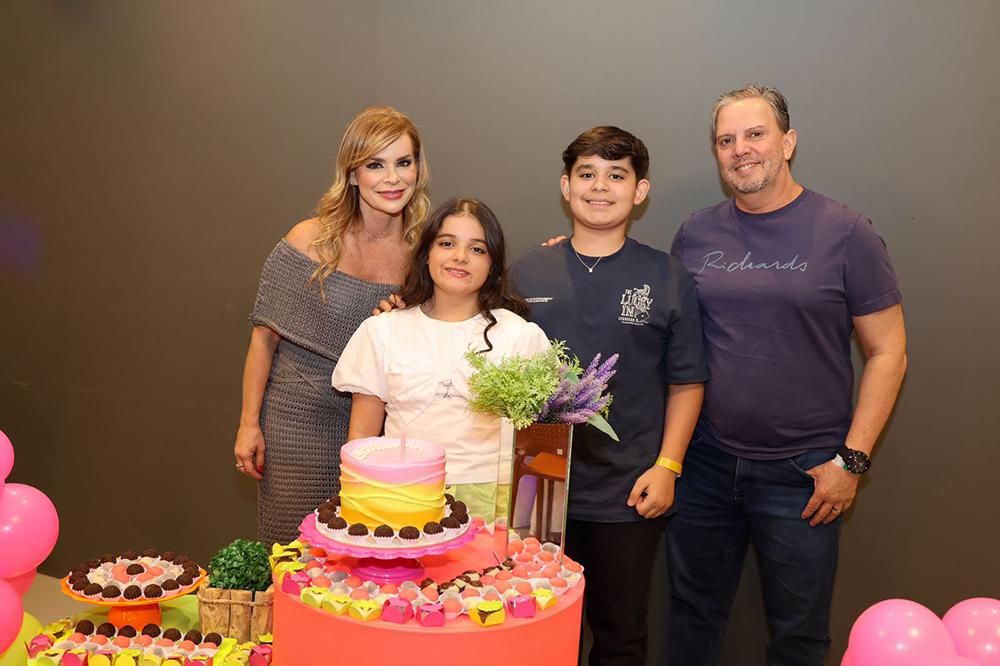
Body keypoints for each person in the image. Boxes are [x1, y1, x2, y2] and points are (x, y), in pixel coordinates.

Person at [666, 83, 908, 665]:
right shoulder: (695, 233)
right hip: (703, 465)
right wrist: (583, 256)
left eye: (755, 134)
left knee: (799, 636)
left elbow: (889, 352)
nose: (740, 150)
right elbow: (661, 327)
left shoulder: (846, 231)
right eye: (726, 140)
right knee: (691, 620)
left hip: (805, 475)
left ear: (788, 141)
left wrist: (852, 461)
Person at [510, 127, 707, 666]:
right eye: (587, 174)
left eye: (616, 175)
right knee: (537, 632)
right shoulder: (527, 270)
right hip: (536, 485)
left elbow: (687, 382)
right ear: (566, 186)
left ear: (639, 191)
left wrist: (668, 466)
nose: (601, 187)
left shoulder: (668, 277)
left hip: (628, 491)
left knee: (620, 635)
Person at [233, 105, 431, 546]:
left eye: (404, 162)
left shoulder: (425, 254)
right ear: (353, 173)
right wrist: (249, 424)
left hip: (380, 430)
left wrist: (396, 328)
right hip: (297, 425)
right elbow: (263, 339)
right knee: (291, 555)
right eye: (376, 165)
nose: (393, 178)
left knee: (363, 557)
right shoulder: (309, 239)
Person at [332, 198, 551, 520]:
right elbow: (362, 438)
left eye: (477, 249)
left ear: (492, 264)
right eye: (447, 243)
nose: (460, 257)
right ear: (426, 254)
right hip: (401, 498)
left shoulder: (520, 336)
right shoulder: (383, 330)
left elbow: (537, 446)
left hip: (495, 502)